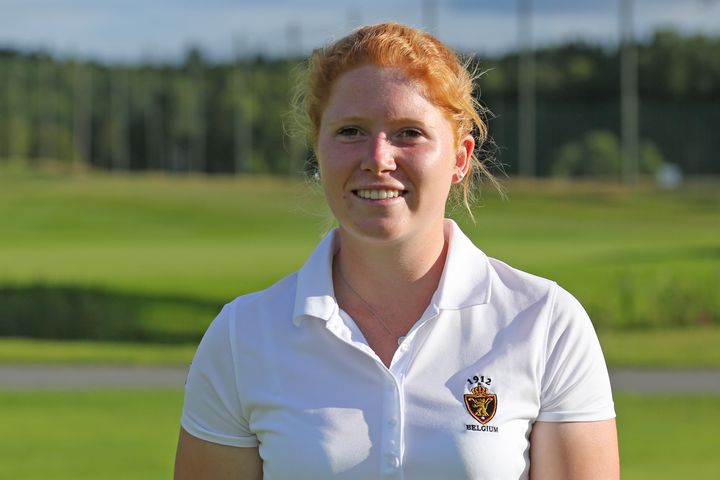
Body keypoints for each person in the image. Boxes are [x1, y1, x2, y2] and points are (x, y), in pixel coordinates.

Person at [174, 22, 619, 479]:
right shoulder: (242, 336)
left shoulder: (546, 322)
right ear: (318, 150)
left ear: (460, 158)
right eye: (351, 131)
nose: (378, 158)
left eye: (409, 133)